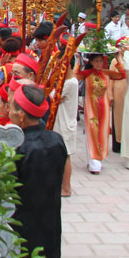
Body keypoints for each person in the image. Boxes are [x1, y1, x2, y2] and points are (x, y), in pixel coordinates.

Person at [8, 83, 67, 258]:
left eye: (12, 108)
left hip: (21, 224)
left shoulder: (18, 149)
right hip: (50, 221)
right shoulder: (56, 141)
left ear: (22, 115)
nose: (9, 112)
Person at [74, 53, 124, 174]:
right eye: (96, 61)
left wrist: (118, 58)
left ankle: (97, 158)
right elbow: (76, 75)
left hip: (104, 107)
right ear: (91, 62)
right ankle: (94, 163)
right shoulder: (87, 74)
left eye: (101, 61)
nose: (99, 64)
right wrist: (78, 59)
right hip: (91, 107)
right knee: (92, 132)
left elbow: (122, 75)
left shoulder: (106, 73)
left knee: (102, 133)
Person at [51, 65, 78, 197]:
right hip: (62, 119)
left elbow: (54, 97)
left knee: (65, 154)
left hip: (65, 121)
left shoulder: (70, 83)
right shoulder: (67, 81)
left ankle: (66, 188)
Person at [110, 38, 129, 153]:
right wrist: (110, 94)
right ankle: (118, 143)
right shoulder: (115, 61)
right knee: (118, 117)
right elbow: (111, 78)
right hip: (118, 90)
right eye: (123, 47)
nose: (124, 49)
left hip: (128, 90)